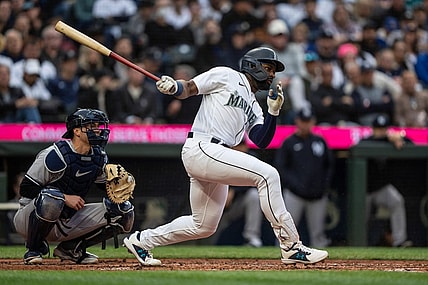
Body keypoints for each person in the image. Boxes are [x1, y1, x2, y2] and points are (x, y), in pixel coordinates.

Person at [123, 46, 328, 266]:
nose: (271, 75)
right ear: (253, 65)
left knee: (203, 225)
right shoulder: (227, 75)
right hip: (203, 146)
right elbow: (189, 88)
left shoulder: (254, 105)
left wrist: (273, 112)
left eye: (273, 71)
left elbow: (261, 140)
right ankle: (291, 245)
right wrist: (174, 86)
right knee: (268, 175)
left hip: (214, 154)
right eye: (268, 68)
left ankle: (141, 240)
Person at [13, 108, 135, 265]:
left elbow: (104, 189)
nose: (97, 130)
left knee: (125, 211)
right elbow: (26, 188)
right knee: (53, 197)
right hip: (30, 220)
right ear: (76, 131)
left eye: (98, 126)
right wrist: (64, 198)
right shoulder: (55, 155)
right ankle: (34, 248)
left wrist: (118, 184)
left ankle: (71, 249)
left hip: (67, 220)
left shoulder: (99, 157)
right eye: (91, 126)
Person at [274, 107, 333, 247]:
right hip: (294, 195)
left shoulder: (320, 142)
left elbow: (329, 166)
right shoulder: (289, 143)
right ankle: (279, 258)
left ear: (313, 122)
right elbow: (281, 168)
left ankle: (321, 265)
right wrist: (293, 184)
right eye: (303, 121)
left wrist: (323, 186)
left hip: (317, 195)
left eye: (308, 121)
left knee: (318, 236)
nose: (305, 124)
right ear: (297, 121)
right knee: (286, 233)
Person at [357, 114, 413, 247]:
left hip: (381, 188)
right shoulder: (366, 141)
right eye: (378, 129)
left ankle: (400, 241)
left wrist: (400, 138)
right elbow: (359, 146)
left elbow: (412, 143)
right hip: (363, 190)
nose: (380, 131)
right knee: (361, 218)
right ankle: (358, 244)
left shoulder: (390, 140)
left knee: (397, 200)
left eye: (383, 129)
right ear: (373, 129)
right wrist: (386, 138)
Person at [210, 139, 263, 248]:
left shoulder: (252, 159)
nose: (240, 149)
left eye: (242, 146)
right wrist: (224, 191)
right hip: (221, 204)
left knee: (253, 195)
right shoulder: (223, 158)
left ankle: (252, 238)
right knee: (209, 233)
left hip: (239, 202)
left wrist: (234, 190)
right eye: (237, 146)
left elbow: (254, 181)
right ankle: (206, 244)